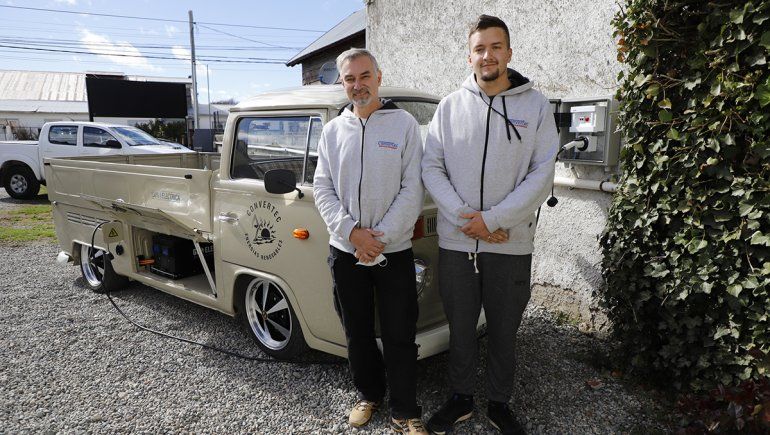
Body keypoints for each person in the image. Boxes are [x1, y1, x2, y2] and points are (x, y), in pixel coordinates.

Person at [422, 14, 559, 435]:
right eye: (480, 48)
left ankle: (499, 402)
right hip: (458, 243)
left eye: (496, 47)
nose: (488, 55)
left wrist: (494, 221)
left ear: (509, 53)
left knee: (503, 330)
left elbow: (543, 173)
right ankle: (461, 398)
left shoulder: (535, 106)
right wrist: (471, 222)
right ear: (470, 55)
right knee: (461, 329)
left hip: (511, 243)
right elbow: (431, 167)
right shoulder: (449, 107)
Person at [313, 48, 427, 434]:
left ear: (379, 77)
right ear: (342, 83)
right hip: (345, 253)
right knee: (356, 331)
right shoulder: (332, 131)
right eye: (350, 78)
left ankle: (405, 410)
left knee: (399, 332)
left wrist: (379, 239)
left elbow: (413, 189)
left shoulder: (404, 126)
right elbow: (322, 188)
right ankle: (369, 395)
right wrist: (352, 233)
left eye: (364, 76)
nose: (358, 85)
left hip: (392, 253)